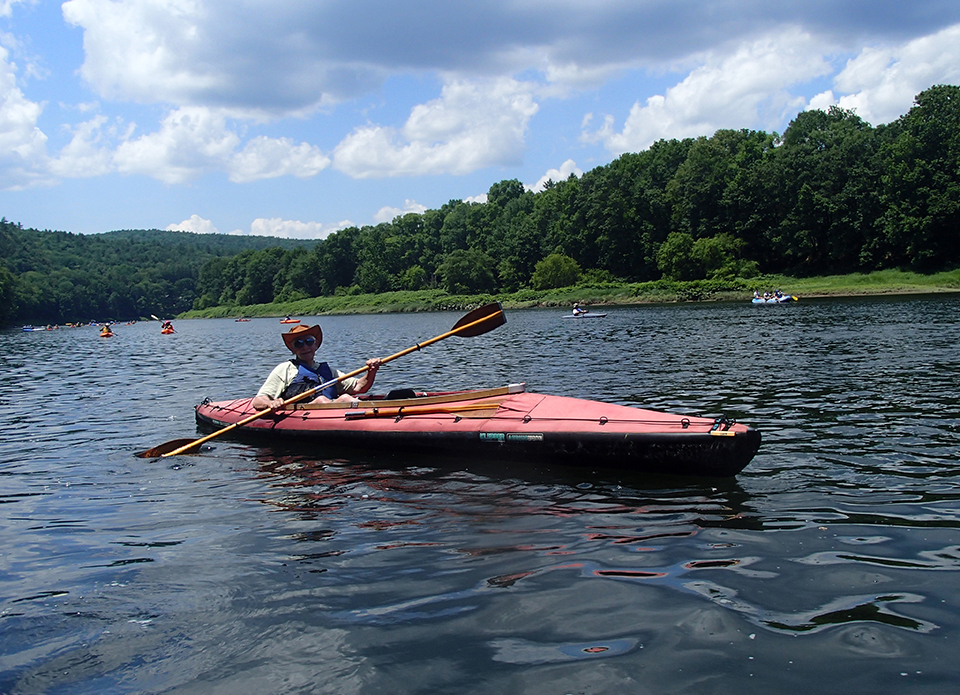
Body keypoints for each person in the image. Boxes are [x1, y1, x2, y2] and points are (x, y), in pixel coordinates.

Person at [252, 324, 382, 410]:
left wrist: (371, 371)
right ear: (293, 349)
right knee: (321, 400)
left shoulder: (327, 371)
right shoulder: (285, 369)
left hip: (332, 412)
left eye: (309, 342)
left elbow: (359, 387)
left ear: (316, 345)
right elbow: (259, 400)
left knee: (345, 398)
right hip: (303, 412)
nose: (305, 347)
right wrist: (270, 403)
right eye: (298, 344)